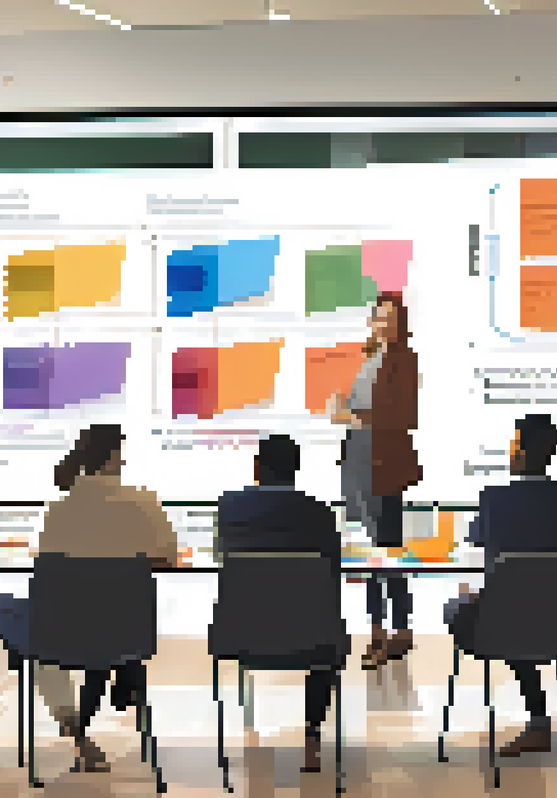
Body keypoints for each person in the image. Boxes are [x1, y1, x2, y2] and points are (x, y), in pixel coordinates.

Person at [0, 424, 179, 773]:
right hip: (127, 632)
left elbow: (51, 565)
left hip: (63, 634)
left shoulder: (60, 508)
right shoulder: (144, 501)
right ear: (116, 457)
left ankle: (72, 728)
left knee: (13, 616)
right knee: (77, 623)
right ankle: (120, 671)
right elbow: (168, 559)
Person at [441, 414, 557, 756]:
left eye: (513, 442)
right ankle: (538, 721)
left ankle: (538, 721)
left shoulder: (494, 499)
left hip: (505, 621)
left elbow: (475, 539)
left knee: (465, 608)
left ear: (521, 451)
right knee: (518, 611)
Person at [215, 434, 345, 772]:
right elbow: (332, 569)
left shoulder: (230, 508)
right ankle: (313, 736)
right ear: (297, 469)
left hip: (242, 634)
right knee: (327, 631)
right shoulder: (319, 513)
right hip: (311, 637)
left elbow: (221, 555)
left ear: (257, 467)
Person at [331, 291, 422, 669]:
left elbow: (400, 415)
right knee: (371, 554)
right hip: (358, 464)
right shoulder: (370, 358)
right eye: (379, 317)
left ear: (400, 323)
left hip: (383, 467)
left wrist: (350, 417)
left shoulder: (403, 361)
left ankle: (396, 633)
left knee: (386, 553)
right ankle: (380, 632)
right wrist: (345, 410)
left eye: (391, 318)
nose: (384, 323)